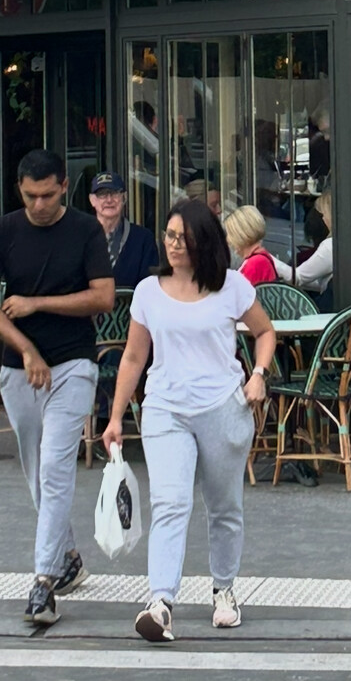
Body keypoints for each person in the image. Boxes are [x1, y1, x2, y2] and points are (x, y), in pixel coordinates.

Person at [103, 199, 276, 644]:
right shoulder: (148, 291)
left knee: (224, 506)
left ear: (205, 242)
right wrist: (116, 416)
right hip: (165, 407)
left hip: (223, 405)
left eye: (184, 237)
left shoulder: (231, 286)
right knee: (170, 502)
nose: (174, 244)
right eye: (170, 235)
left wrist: (258, 375)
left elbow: (264, 331)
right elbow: (134, 356)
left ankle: (224, 589)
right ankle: (160, 602)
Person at [0, 150, 115, 628]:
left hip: (74, 362)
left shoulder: (85, 230)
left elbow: (103, 296)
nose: (39, 205)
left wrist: (37, 304)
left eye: (48, 195)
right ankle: (67, 557)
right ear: (20, 189)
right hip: (19, 368)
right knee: (37, 470)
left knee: (54, 467)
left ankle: (43, 583)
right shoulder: (3, 232)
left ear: (65, 187)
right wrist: (25, 348)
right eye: (31, 196)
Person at [90, 170, 158, 286]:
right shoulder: (81, 237)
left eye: (114, 193)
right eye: (102, 194)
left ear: (124, 197)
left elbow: (149, 286)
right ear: (92, 200)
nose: (109, 200)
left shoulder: (143, 239)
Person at [223, 205, 291, 286]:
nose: (228, 240)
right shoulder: (259, 259)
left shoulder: (255, 264)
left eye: (230, 234)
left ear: (240, 234)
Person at [294, 193, 334, 298]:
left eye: (324, 215)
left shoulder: (331, 246)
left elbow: (298, 277)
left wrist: (270, 261)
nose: (323, 219)